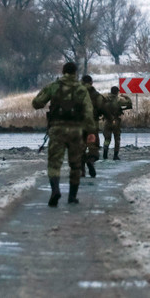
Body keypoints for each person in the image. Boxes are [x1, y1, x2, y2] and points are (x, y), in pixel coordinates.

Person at [31, 62, 94, 207]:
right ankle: (72, 197)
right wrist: (90, 132)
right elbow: (88, 112)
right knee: (75, 164)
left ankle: (55, 190)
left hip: (57, 130)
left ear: (63, 71)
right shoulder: (81, 89)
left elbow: (36, 103)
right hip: (76, 131)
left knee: (54, 163)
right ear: (75, 73)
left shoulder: (54, 86)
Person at [81, 74, 104, 176]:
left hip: (78, 125)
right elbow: (102, 107)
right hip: (92, 126)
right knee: (93, 146)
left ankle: (81, 170)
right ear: (91, 83)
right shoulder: (96, 95)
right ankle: (90, 160)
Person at [102, 86, 132, 160]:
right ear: (117, 92)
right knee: (117, 139)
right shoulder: (119, 99)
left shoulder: (105, 99)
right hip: (116, 121)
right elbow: (129, 104)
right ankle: (115, 155)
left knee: (107, 139)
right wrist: (126, 96)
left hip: (107, 121)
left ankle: (105, 155)